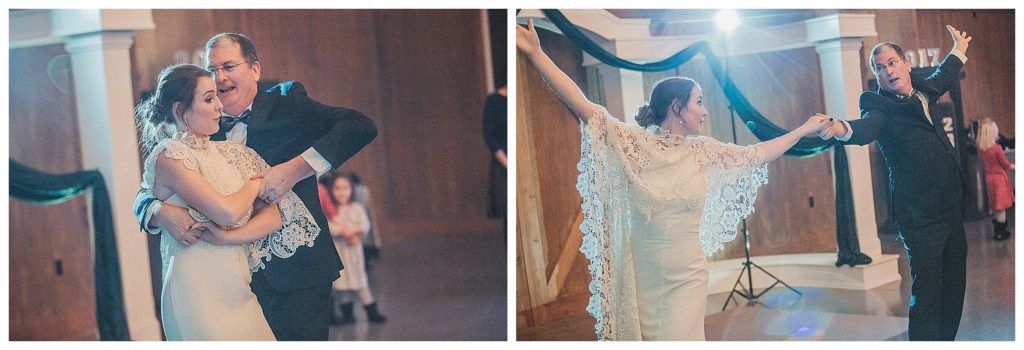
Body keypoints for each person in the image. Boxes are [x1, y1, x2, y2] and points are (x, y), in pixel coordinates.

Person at [517, 18, 829, 341]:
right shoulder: (633, 144)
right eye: (699, 102)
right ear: (678, 107)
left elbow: (757, 154)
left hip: (688, 277)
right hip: (645, 280)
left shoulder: (703, 151)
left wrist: (804, 129)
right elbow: (582, 105)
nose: (705, 110)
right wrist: (536, 54)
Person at [133, 33, 378, 340]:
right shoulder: (200, 120)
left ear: (255, 70)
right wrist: (159, 211)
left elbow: (360, 126)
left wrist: (295, 169)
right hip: (229, 279)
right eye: (212, 69)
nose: (220, 77)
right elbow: (149, 187)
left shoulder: (288, 102)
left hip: (296, 273)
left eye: (229, 66)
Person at [136, 64, 319, 340]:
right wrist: (256, 183)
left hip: (237, 283)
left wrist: (226, 238)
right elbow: (227, 212)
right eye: (209, 99)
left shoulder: (233, 152)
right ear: (179, 110)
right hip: (196, 287)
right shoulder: (170, 155)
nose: (219, 106)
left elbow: (274, 216)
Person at [816, 25, 972, 341]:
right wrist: (841, 128)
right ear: (877, 76)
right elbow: (865, 127)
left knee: (955, 283)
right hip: (920, 217)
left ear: (905, 65)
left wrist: (960, 47)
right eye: (880, 67)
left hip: (950, 206)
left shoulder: (926, 89)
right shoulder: (879, 105)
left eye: (891, 63)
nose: (887, 71)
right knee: (928, 292)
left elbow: (946, 72)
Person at [320, 171, 387, 325]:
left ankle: (371, 312)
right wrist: (343, 231)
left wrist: (356, 233)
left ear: (352, 190)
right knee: (342, 286)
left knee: (361, 284)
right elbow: (329, 227)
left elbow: (365, 224)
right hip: (340, 252)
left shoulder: (356, 208)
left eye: (345, 188)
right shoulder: (332, 211)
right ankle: (347, 315)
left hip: (354, 253)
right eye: (337, 188)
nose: (342, 192)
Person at [976, 119, 1014, 240]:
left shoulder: (981, 150)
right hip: (1000, 180)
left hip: (989, 179)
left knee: (996, 206)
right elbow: (1005, 164)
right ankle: (1001, 232)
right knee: (1001, 207)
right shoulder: (997, 148)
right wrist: (1014, 167)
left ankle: (996, 232)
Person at [483, 84, 508, 223]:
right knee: (507, 213)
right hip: (502, 164)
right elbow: (489, 135)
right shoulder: (494, 100)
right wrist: (506, 162)